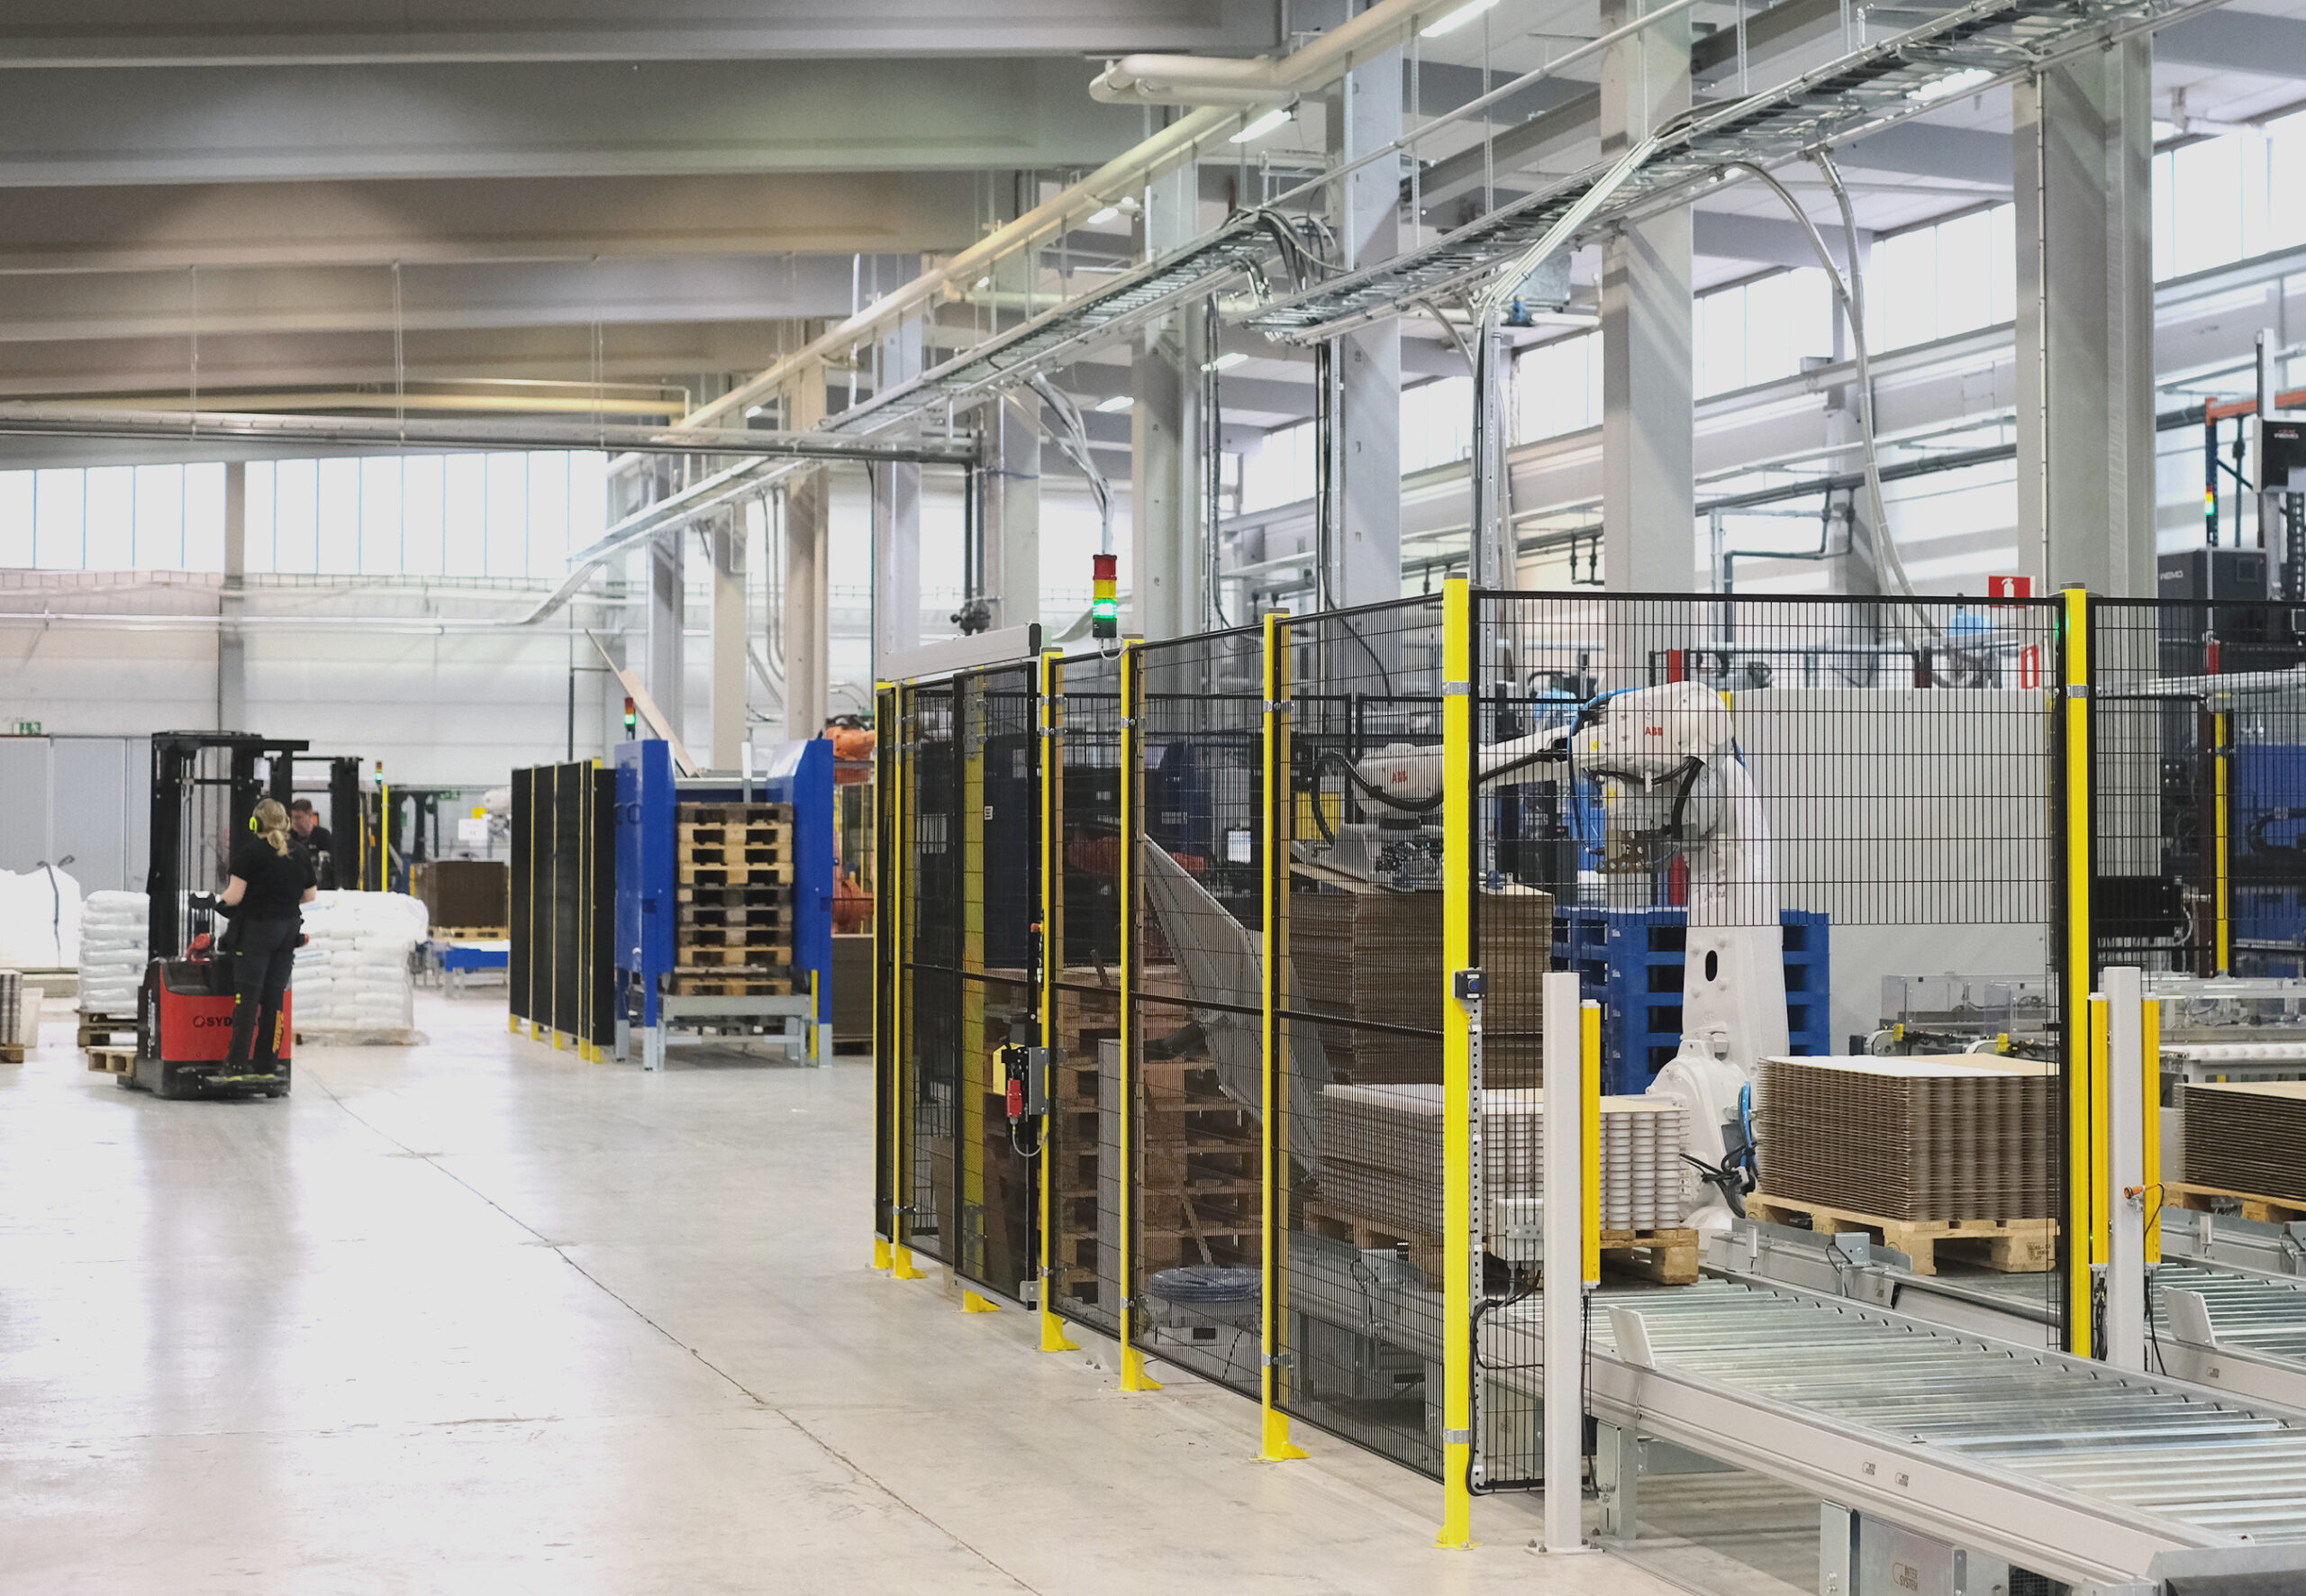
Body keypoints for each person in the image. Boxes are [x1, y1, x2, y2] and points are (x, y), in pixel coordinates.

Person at [217, 799, 316, 1068]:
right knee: (274, 1000)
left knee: (248, 1000)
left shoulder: (250, 853)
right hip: (288, 930)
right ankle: (267, 1064)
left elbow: (234, 896)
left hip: (257, 931)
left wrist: (219, 902)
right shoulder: (299, 852)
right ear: (285, 822)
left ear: (256, 823)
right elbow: (309, 895)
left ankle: (237, 1063)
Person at [288, 797, 336, 887]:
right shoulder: (289, 836)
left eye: (298, 817)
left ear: (310, 815)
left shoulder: (323, 836)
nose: (294, 821)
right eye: (292, 818)